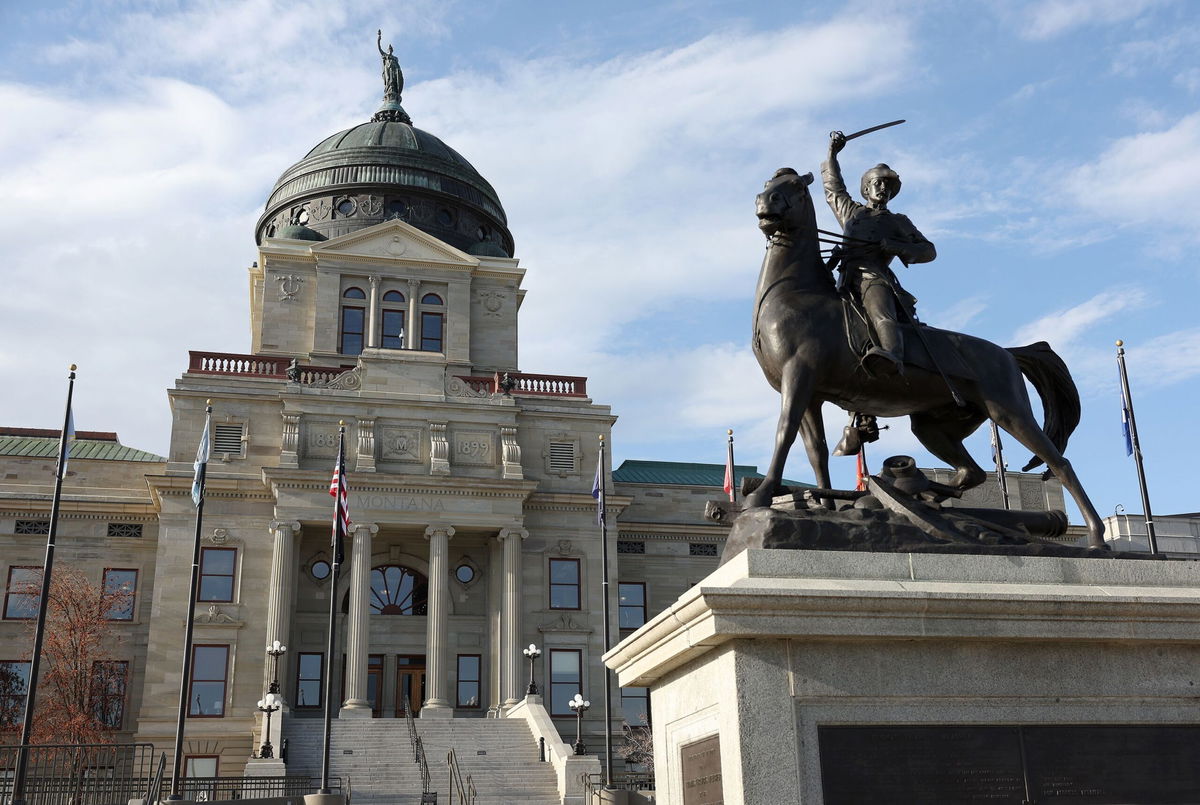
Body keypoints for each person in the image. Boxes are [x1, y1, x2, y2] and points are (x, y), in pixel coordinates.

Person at [822, 131, 935, 375]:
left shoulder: (898, 221)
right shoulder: (851, 212)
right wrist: (832, 154)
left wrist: (897, 247)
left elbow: (929, 251)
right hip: (843, 279)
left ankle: (892, 357)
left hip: (873, 277)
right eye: (878, 183)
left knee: (880, 312)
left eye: (887, 185)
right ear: (866, 189)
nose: (883, 188)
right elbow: (833, 187)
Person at [377, 30, 404, 103]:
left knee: (395, 81)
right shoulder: (385, 55)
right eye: (389, 49)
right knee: (389, 80)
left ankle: (395, 92)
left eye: (391, 49)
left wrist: (398, 72)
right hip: (388, 70)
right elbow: (379, 48)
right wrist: (378, 39)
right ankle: (389, 92)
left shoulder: (395, 58)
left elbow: (398, 67)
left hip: (395, 71)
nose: (390, 50)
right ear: (388, 50)